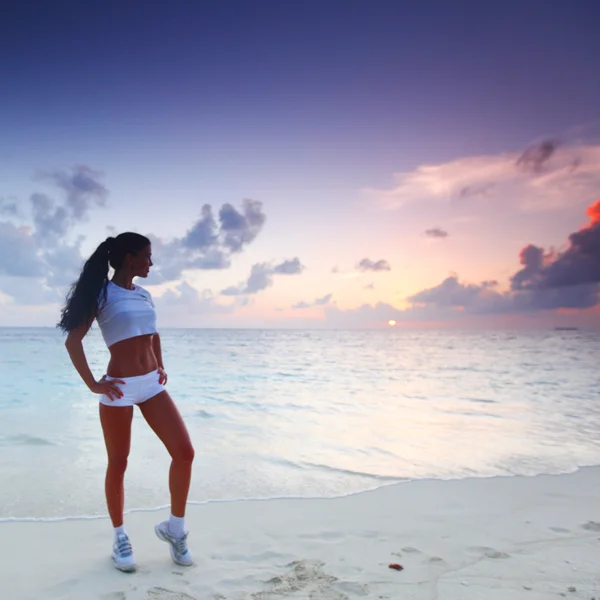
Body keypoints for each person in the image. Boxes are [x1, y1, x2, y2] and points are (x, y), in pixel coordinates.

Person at [58, 232, 195, 572]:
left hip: (151, 386)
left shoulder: (145, 295)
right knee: (118, 462)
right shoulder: (102, 295)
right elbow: (73, 341)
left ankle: (174, 529)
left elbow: (152, 334)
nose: (151, 262)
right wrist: (93, 384)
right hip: (119, 389)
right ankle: (120, 537)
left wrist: (160, 364)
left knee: (184, 452)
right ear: (129, 258)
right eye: (147, 256)